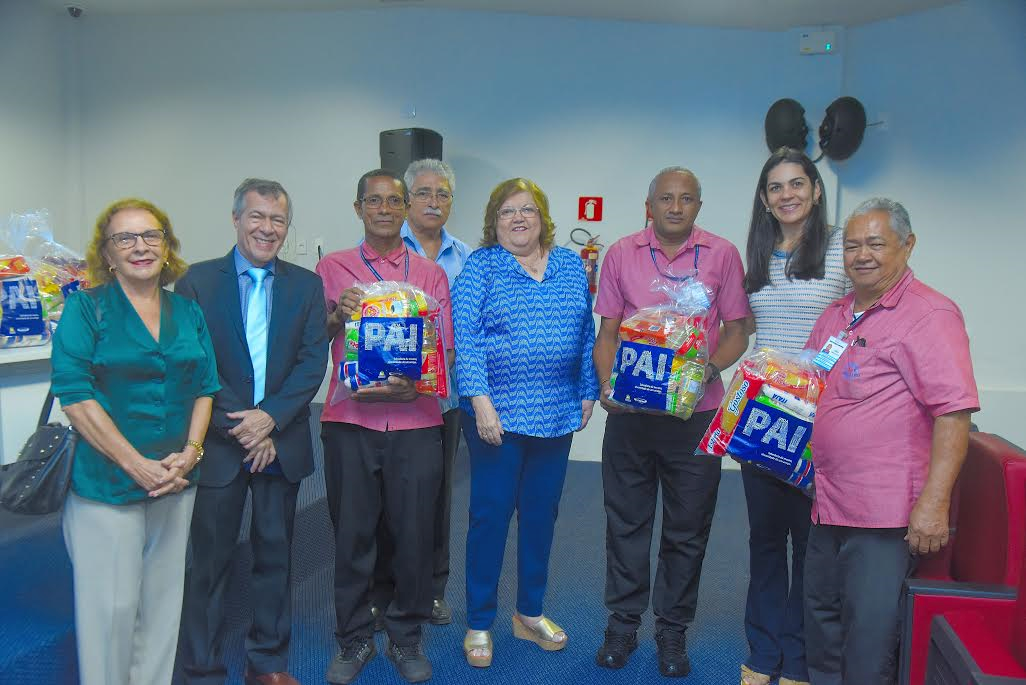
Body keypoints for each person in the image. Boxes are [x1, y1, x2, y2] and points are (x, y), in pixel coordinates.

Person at [803, 198, 978, 684]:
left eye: (876, 243)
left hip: (884, 514)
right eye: (853, 245)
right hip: (825, 501)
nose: (863, 255)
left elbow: (953, 412)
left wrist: (934, 503)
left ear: (908, 245)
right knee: (822, 623)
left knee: (869, 638)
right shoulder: (836, 315)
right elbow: (807, 388)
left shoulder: (930, 314)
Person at [50, 198, 219, 685]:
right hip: (107, 482)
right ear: (107, 253)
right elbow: (75, 395)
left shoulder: (187, 311)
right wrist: (135, 465)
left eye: (151, 235)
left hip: (176, 480)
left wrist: (191, 454)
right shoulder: (86, 308)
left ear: (167, 247)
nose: (140, 246)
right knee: (113, 610)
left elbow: (206, 387)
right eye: (125, 238)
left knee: (163, 604)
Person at [593, 167, 751, 677]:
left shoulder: (723, 254)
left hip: (695, 417)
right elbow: (608, 334)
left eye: (686, 199)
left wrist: (707, 369)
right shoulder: (621, 253)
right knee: (627, 524)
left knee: (687, 531)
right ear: (649, 204)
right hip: (633, 418)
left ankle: (672, 631)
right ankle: (622, 624)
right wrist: (607, 387)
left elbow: (737, 330)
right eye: (666, 198)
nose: (676, 207)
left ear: (698, 206)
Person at [177, 179, 328, 685]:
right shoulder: (197, 282)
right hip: (220, 444)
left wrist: (271, 419)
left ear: (287, 226)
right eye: (257, 217)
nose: (267, 228)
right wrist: (247, 426)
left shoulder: (306, 285)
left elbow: (312, 364)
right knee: (209, 562)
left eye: (278, 220)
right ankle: (200, 665)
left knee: (274, 557)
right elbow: (195, 363)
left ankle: (268, 662)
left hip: (279, 444)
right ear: (236, 218)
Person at [453, 177, 599, 668]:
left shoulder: (568, 265)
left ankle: (529, 613)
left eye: (528, 210)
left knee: (541, 517)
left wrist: (587, 389)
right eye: (507, 212)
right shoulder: (482, 267)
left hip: (555, 417)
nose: (518, 219)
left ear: (543, 218)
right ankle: (478, 621)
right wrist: (480, 401)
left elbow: (585, 332)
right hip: (497, 417)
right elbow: (466, 337)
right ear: (494, 223)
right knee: (490, 518)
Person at [316, 169, 453, 685]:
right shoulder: (333, 268)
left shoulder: (429, 274)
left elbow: (444, 348)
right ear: (358, 208)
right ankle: (353, 638)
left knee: (416, 535)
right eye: (374, 201)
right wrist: (337, 314)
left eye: (394, 200)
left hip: (417, 422)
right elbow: (317, 334)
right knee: (352, 534)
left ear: (406, 208)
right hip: (350, 420)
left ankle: (405, 635)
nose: (384, 209)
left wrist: (417, 386)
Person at [739, 148, 849, 685]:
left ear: (816, 190)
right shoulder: (757, 255)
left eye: (797, 184)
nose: (788, 195)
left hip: (819, 419)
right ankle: (762, 653)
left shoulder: (840, 249)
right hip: (762, 418)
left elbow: (862, 318)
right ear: (765, 198)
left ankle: (800, 660)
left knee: (810, 546)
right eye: (776, 187)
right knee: (764, 541)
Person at [372, 158, 470, 629]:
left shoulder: (467, 258)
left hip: (446, 399)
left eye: (443, 194)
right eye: (425, 193)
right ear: (409, 202)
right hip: (385, 399)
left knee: (437, 496)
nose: (435, 201)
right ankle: (385, 586)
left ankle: (432, 588)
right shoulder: (380, 253)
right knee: (386, 498)